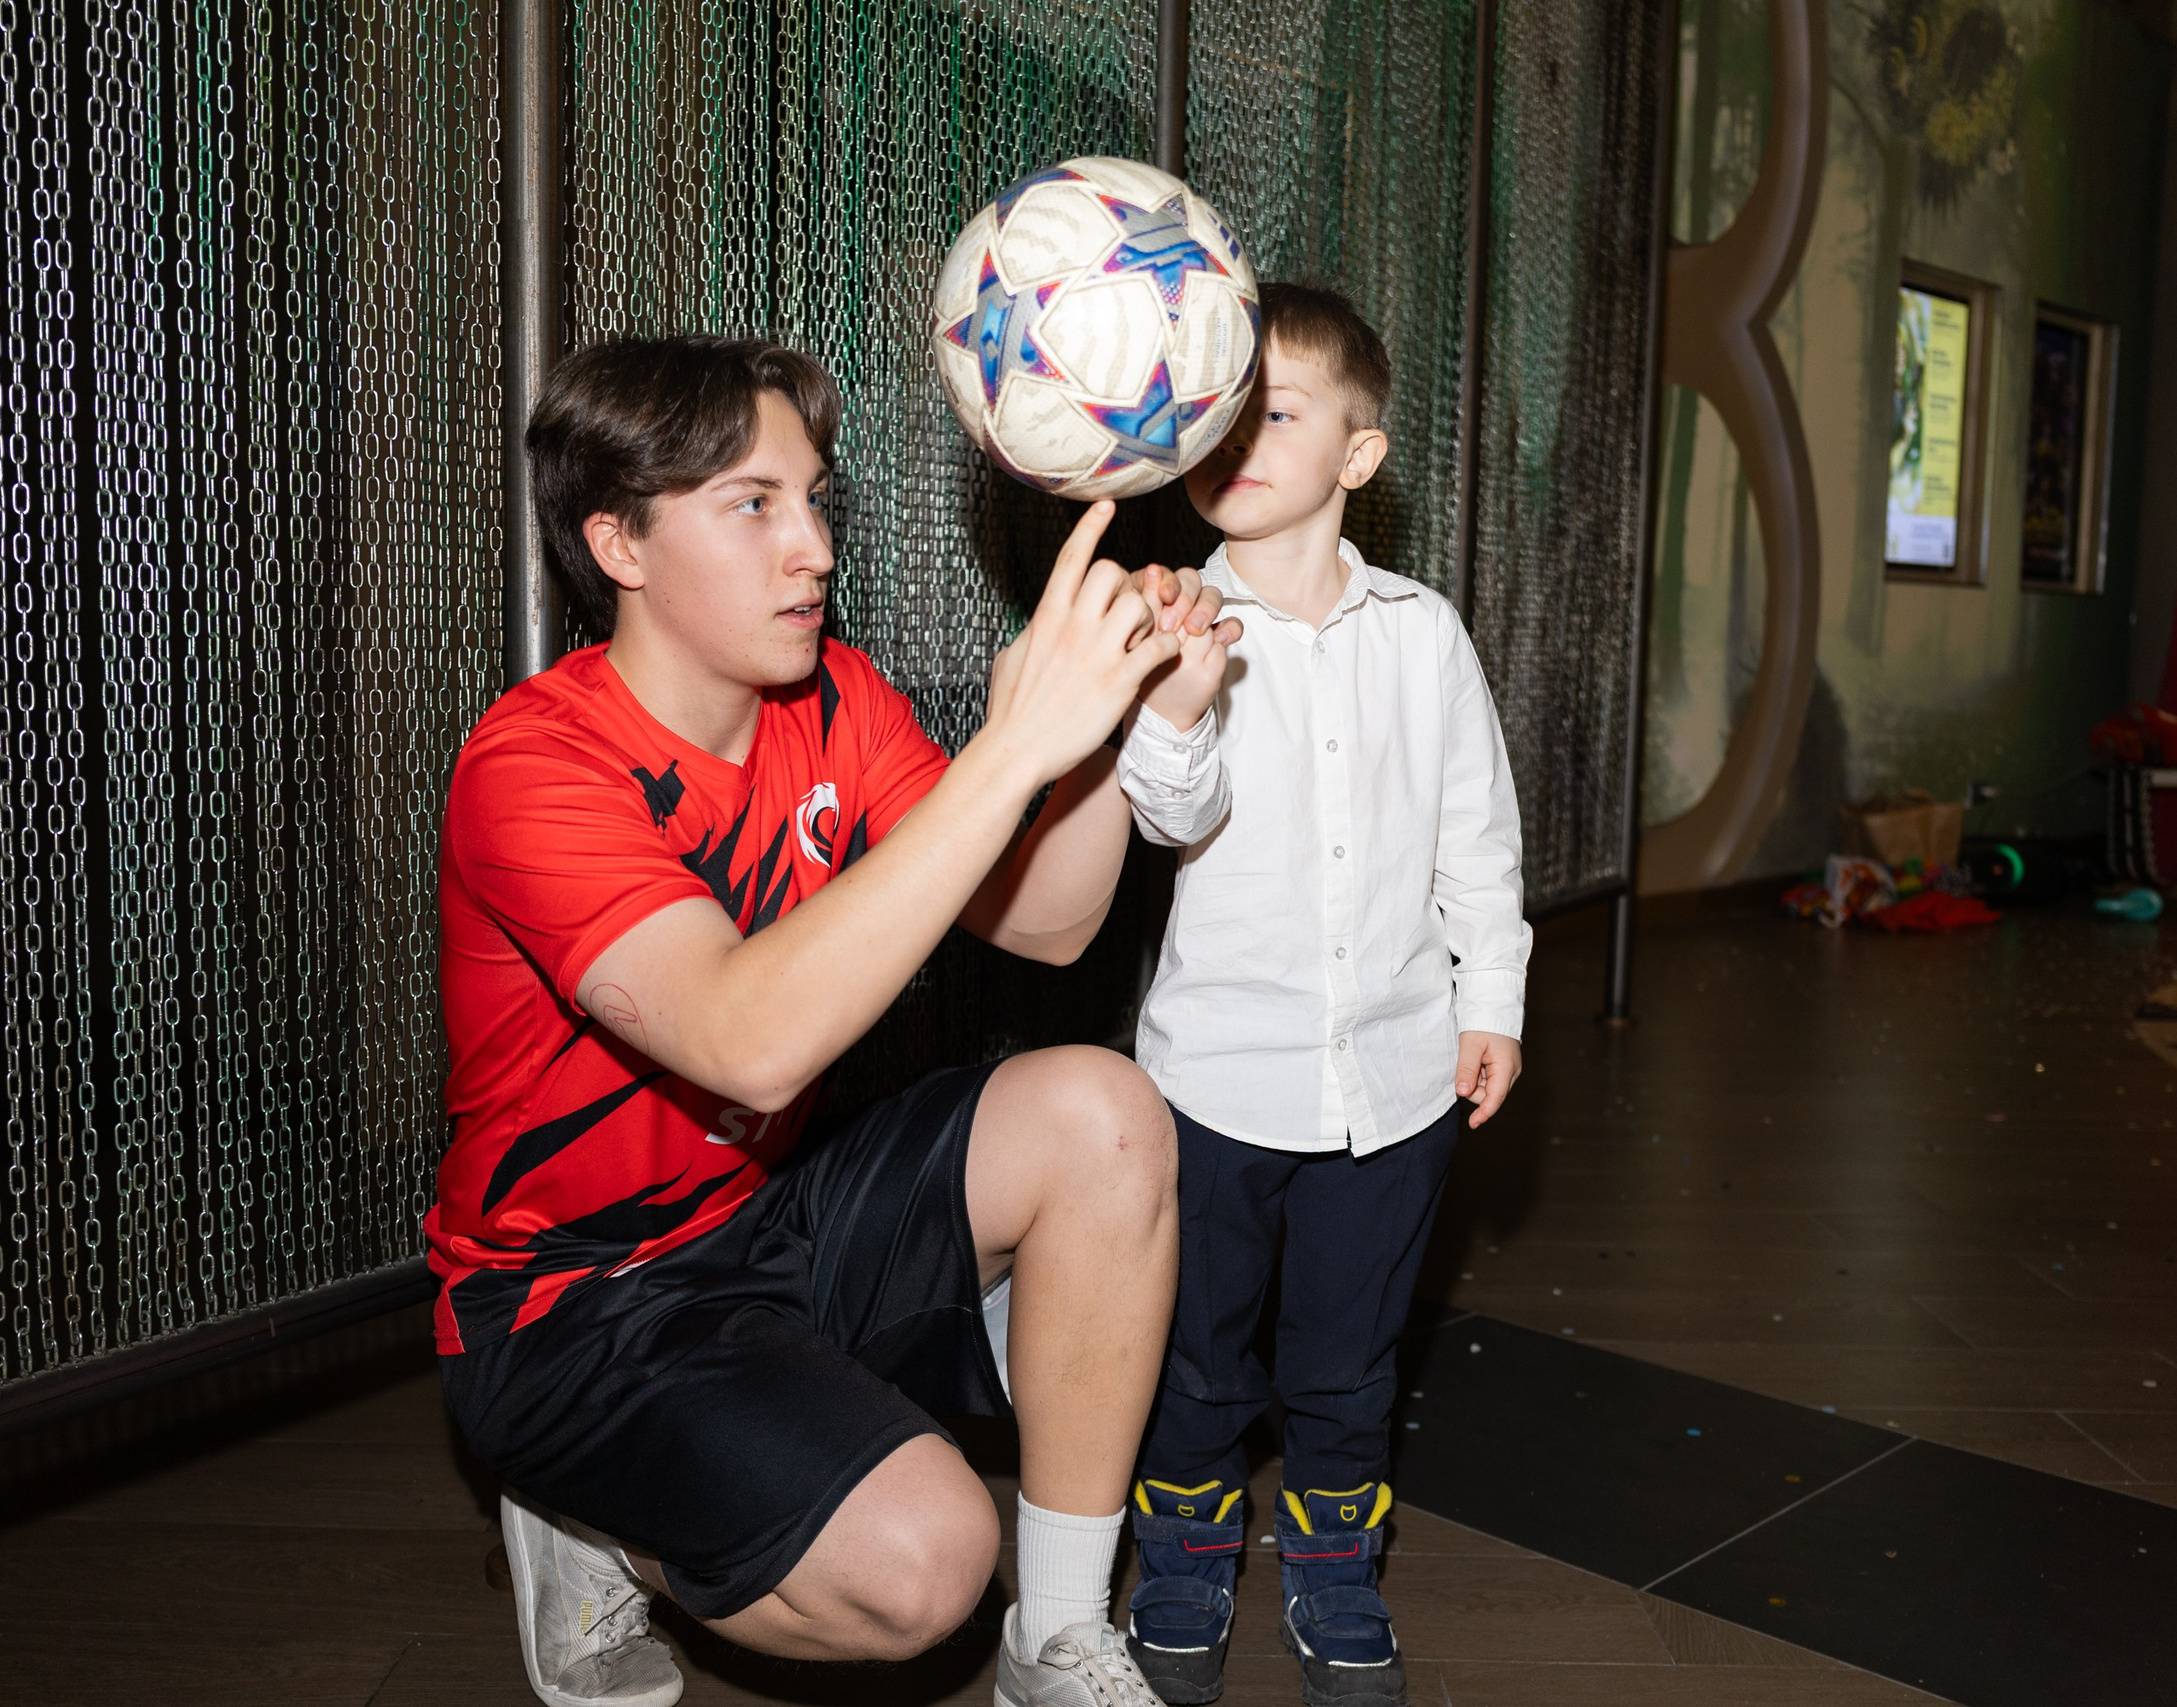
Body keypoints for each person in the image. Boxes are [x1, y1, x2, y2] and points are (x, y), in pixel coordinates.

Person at [429, 334, 1240, 1707]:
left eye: (816, 500)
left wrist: (1112, 731)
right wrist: (1011, 753)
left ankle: (1057, 1640)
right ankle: (609, 1534)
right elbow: (751, 1041)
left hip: (766, 1213)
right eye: (751, 504)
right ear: (616, 540)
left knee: (1104, 1115)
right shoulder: (534, 765)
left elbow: (1047, 923)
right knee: (924, 1569)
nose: (810, 546)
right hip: (571, 1303)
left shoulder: (836, 701)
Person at [1110, 284, 1531, 1707]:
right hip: (1217, 1078)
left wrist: (1495, 998)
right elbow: (1169, 819)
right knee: (1198, 1352)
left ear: (1358, 456)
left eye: (1277, 412)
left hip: (1394, 1082)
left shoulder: (1424, 633)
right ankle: (1183, 1554)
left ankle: (1338, 1566)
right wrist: (1174, 708)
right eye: (1220, 413)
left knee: (1351, 1363)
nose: (1240, 439)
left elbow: (1476, 834)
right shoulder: (1177, 622)